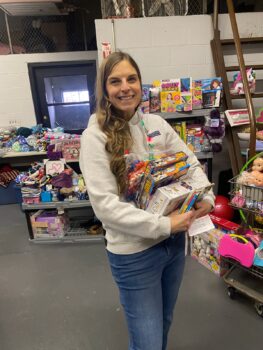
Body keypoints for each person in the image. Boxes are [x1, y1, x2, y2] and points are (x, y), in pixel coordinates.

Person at [79, 51, 215, 350]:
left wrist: (206, 196)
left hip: (173, 245)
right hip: (134, 253)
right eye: (115, 81)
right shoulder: (95, 137)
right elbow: (106, 208)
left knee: (164, 321)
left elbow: (191, 163)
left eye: (132, 79)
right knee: (148, 340)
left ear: (141, 83)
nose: (125, 87)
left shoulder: (155, 124)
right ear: (104, 89)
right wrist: (166, 224)